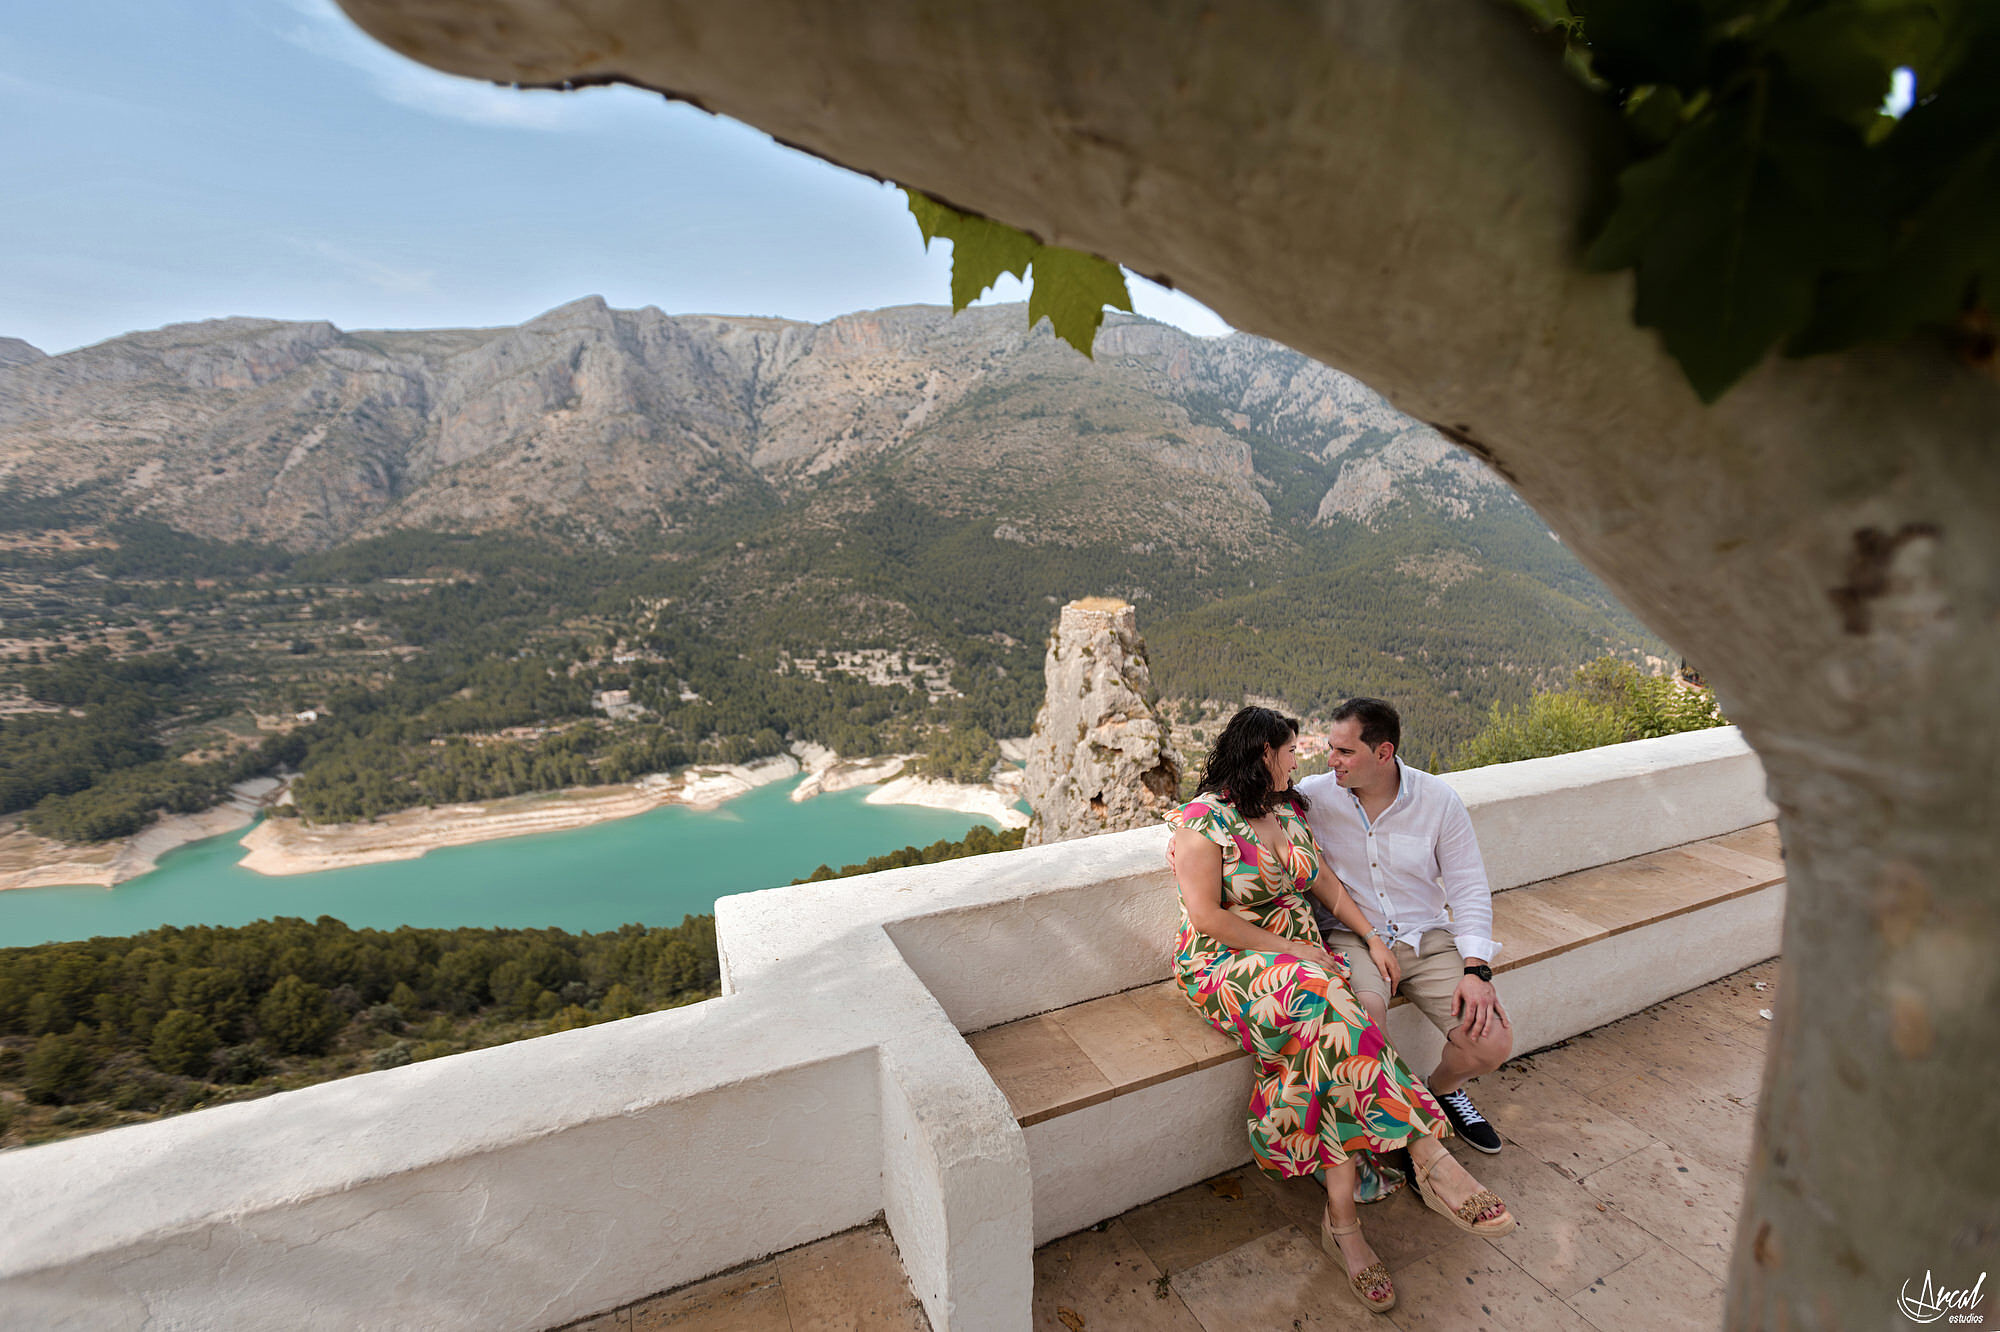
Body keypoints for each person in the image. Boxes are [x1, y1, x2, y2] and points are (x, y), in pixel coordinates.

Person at [1167, 706, 1514, 1315]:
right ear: (1262, 755)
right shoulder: (1203, 822)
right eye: (1291, 752)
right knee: (1329, 999)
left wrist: (1372, 938)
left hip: (1304, 960)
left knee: (1331, 1029)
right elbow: (1206, 918)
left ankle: (1343, 1221)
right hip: (1228, 960)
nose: (1301, 762)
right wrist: (1295, 948)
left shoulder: (1289, 808)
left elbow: (1326, 883)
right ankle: (1428, 1151)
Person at [1293, 697, 1512, 1155]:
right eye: (1331, 748)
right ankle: (1410, 1140)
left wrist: (1476, 972)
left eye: (1345, 752)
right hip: (1354, 938)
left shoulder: (1438, 801)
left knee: (1490, 1043)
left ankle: (1441, 1093)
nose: (1331, 760)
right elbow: (1248, 802)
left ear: (1384, 753)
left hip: (1425, 937)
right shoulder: (1315, 795)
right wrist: (1189, 838)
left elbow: (1469, 889)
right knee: (1368, 1027)